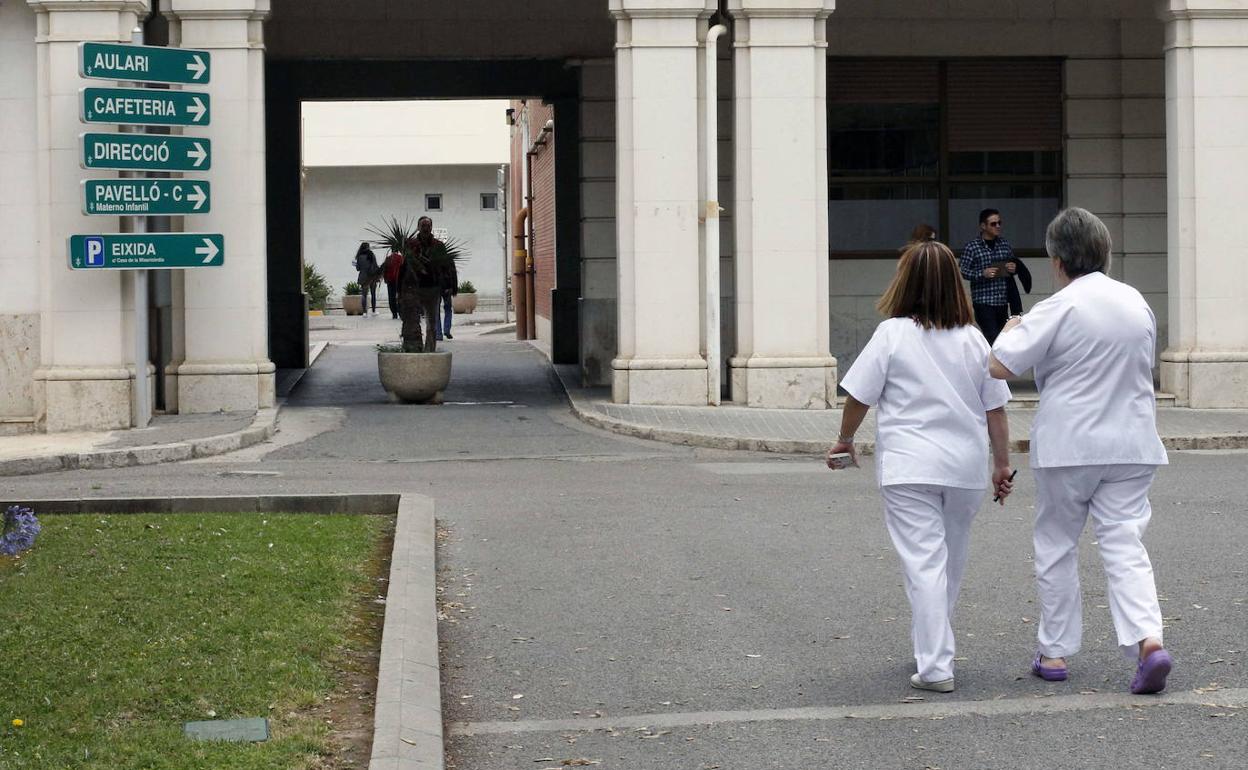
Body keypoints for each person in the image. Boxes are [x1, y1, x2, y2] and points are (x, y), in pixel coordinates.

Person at [989, 207, 1172, 695]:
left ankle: (1054, 652)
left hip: (1069, 444)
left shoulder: (1059, 306)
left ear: (1056, 259)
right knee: (1124, 543)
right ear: (1105, 253)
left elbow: (999, 367)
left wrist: (1010, 329)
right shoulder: (1136, 302)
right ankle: (1148, 641)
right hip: (1132, 442)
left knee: (1056, 545)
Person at [828, 239, 1015, 694]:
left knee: (924, 564)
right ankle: (933, 647)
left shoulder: (892, 334)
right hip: (965, 468)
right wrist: (1002, 467)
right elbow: (996, 410)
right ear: (956, 283)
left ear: (904, 282)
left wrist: (845, 439)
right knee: (948, 564)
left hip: (909, 466)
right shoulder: (973, 338)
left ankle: (934, 666)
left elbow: (859, 396)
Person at [958, 209, 1016, 343]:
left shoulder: (1004, 244)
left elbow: (1012, 263)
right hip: (983, 302)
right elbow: (963, 271)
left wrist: (1012, 267)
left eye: (999, 223)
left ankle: (997, 363)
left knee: (1003, 339)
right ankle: (992, 363)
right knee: (993, 339)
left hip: (1002, 300)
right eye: (993, 224)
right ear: (983, 226)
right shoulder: (972, 247)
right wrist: (981, 273)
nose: (998, 226)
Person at [353, 242, 381, 317]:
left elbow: (358, 269)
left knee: (364, 295)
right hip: (372, 277)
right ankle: (373, 311)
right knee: (373, 294)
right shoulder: (372, 255)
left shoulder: (359, 256)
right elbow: (375, 266)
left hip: (363, 277)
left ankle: (364, 312)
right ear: (368, 247)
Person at [436, 258, 458, 341]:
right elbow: (454, 274)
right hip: (447, 288)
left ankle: (438, 334)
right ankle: (447, 330)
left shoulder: (433, 259)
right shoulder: (449, 259)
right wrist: (454, 289)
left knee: (436, 311)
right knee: (448, 309)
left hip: (437, 288)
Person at [383, 249, 404, 320]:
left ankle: (394, 313)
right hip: (399, 280)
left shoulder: (388, 258)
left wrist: (385, 279)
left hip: (390, 280)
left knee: (391, 297)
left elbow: (385, 270)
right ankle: (401, 312)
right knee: (399, 296)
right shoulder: (401, 258)